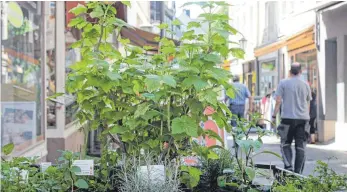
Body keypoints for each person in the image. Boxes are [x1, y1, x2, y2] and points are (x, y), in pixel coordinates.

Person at [272, 62, 312, 174]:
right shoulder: (305, 84)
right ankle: (298, 172)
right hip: (303, 119)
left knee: (285, 143)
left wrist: (274, 115)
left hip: (287, 119)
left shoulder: (283, 83)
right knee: (301, 146)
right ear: (301, 71)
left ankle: (288, 168)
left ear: (290, 71)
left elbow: (278, 101)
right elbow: (308, 102)